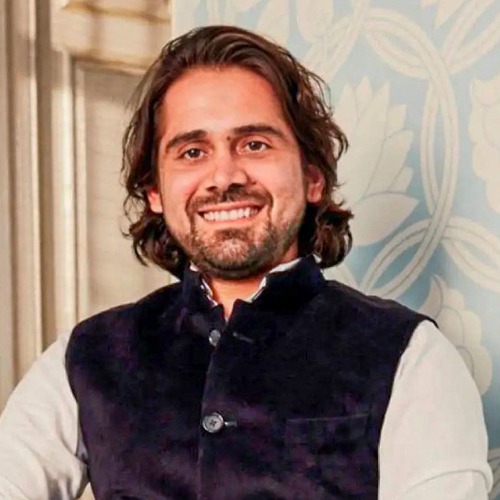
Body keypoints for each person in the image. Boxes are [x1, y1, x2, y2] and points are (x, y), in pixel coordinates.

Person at [0, 25, 492, 500]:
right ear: (154, 191)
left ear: (312, 176)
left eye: (254, 144)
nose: (224, 176)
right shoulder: (84, 359)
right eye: (192, 151)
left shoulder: (411, 357)